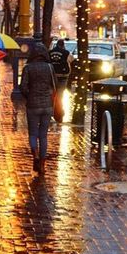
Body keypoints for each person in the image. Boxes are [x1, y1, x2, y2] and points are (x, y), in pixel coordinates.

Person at [20, 44, 56, 173]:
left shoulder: (28, 68)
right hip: (47, 105)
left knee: (33, 134)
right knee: (43, 136)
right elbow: (55, 85)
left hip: (32, 105)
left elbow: (23, 87)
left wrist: (29, 96)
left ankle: (34, 153)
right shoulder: (50, 67)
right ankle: (42, 163)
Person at [49, 39, 73, 122]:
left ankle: (52, 111)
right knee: (60, 95)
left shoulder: (50, 52)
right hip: (63, 76)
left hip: (52, 76)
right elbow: (71, 60)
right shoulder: (66, 52)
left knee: (52, 94)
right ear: (63, 45)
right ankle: (59, 112)